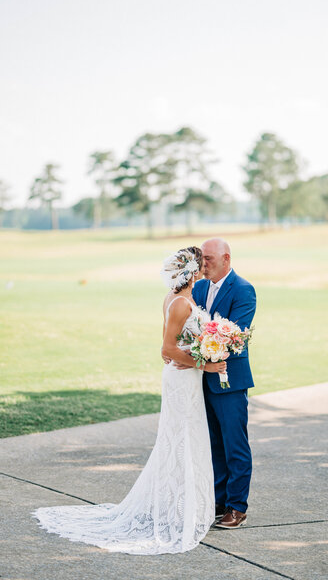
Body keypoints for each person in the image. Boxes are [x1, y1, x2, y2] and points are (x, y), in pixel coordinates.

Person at [31, 246, 226, 555]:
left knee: (186, 439)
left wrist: (205, 347)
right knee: (179, 439)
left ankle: (179, 505)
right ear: (192, 271)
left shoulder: (183, 298)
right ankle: (176, 511)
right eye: (201, 264)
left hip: (187, 378)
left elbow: (183, 345)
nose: (205, 268)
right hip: (182, 380)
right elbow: (166, 351)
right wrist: (207, 362)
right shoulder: (178, 303)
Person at [193, 238, 256, 529]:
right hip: (201, 377)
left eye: (208, 258)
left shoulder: (243, 290)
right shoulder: (199, 287)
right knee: (213, 444)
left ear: (226, 258)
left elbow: (236, 336)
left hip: (229, 379)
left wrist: (204, 351)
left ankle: (237, 507)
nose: (203, 263)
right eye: (201, 258)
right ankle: (218, 501)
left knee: (235, 444)